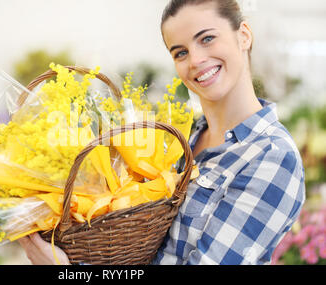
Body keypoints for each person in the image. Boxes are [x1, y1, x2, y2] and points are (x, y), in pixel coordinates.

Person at [19, 0, 306, 265]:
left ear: (243, 35)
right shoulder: (180, 143)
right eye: (180, 52)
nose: (194, 60)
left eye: (207, 38)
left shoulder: (271, 156)